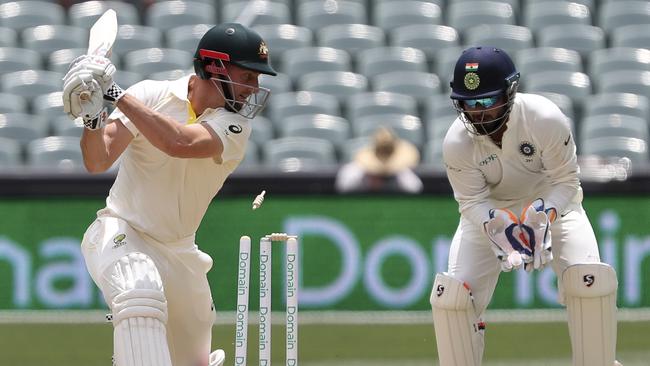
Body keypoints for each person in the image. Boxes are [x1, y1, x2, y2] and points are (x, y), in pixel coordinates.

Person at [60, 23, 276, 366]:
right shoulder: (151, 94)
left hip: (180, 253)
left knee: (192, 362)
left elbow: (179, 142)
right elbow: (98, 160)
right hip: (120, 232)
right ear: (214, 66)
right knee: (138, 287)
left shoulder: (236, 127)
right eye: (248, 77)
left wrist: (114, 93)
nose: (254, 88)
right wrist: (92, 119)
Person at [428, 46, 621, 366]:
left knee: (589, 283)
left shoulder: (544, 118)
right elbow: (472, 202)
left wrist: (544, 215)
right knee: (453, 298)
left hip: (556, 206)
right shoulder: (457, 142)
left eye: (487, 101)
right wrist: (495, 222)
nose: (478, 112)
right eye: (469, 103)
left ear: (510, 92)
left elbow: (567, 183)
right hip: (490, 213)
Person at [335, 126, 423, 194]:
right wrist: (367, 176)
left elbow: (415, 188)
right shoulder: (356, 170)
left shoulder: (401, 173)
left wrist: (394, 172)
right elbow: (342, 187)